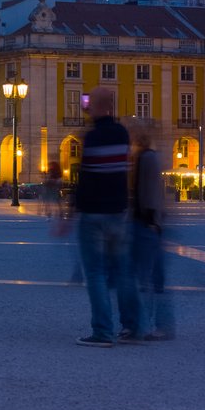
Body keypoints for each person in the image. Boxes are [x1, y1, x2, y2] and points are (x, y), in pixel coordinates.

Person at [73, 86, 141, 347]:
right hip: (118, 210)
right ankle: (132, 326)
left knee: (95, 273)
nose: (85, 105)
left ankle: (102, 331)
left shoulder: (93, 136)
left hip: (93, 213)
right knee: (123, 271)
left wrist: (73, 210)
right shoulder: (122, 133)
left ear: (97, 105)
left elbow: (87, 177)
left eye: (88, 101)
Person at [130, 122, 175, 341]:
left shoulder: (146, 158)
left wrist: (151, 220)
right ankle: (162, 326)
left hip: (148, 224)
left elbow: (149, 192)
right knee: (155, 278)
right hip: (152, 223)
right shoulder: (150, 157)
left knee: (148, 279)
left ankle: (149, 326)